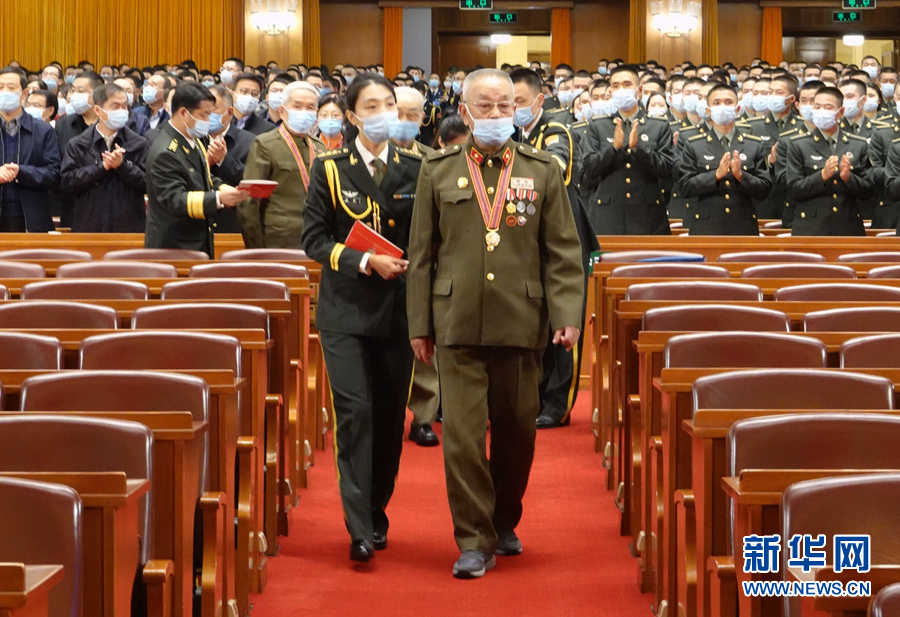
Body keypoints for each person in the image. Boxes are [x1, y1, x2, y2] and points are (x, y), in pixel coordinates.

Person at [406, 68, 584, 579]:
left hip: (521, 321)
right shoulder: (438, 169)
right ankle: (473, 538)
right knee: (462, 439)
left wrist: (567, 315)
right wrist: (419, 324)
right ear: (465, 112)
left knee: (517, 435)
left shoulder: (542, 169)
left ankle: (503, 520)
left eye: (506, 106)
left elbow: (563, 251)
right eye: (485, 106)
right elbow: (422, 254)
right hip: (456, 322)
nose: (497, 115)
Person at [302, 73, 422, 563]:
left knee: (391, 417)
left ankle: (376, 510)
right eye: (371, 106)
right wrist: (364, 260)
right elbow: (314, 240)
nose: (382, 113)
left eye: (388, 104)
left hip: (398, 312)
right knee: (356, 414)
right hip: (346, 311)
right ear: (351, 116)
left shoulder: (416, 167)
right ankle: (358, 527)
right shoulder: (329, 168)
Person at [144, 82, 249, 256]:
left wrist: (224, 188)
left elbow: (202, 175)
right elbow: (175, 199)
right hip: (174, 245)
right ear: (184, 113)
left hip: (196, 240)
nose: (208, 121)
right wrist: (218, 198)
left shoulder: (193, 140)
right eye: (204, 115)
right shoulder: (166, 151)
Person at [581, 65, 673, 235]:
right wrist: (613, 149)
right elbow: (588, 169)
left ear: (639, 90)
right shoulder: (598, 125)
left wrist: (639, 150)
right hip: (608, 216)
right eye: (615, 86)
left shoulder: (658, 125)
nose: (621, 90)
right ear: (610, 92)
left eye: (627, 84)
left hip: (648, 216)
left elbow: (667, 170)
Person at [239, 81, 326, 249]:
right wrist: (256, 248)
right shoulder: (265, 144)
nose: (304, 112)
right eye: (297, 106)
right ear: (282, 111)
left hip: (317, 239)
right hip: (279, 240)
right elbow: (249, 202)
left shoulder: (320, 147)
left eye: (310, 107)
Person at [677, 84, 770, 234]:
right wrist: (714, 175)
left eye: (728, 102)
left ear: (738, 109)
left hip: (743, 227)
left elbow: (764, 190)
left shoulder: (754, 144)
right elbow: (684, 187)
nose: (722, 107)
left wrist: (741, 176)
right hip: (706, 227)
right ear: (708, 110)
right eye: (716, 103)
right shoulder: (694, 144)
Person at [60, 83, 148, 232]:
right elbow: (67, 182)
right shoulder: (78, 144)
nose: (122, 111)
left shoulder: (138, 143)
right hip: (89, 225)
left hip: (129, 226)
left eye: (124, 106)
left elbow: (148, 183)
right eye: (115, 106)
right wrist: (102, 167)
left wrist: (123, 166)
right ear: (98, 110)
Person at [785, 86, 872, 236]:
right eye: (817, 107)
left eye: (828, 107)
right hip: (811, 228)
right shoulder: (798, 144)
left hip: (848, 226)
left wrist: (849, 178)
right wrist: (822, 176)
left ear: (841, 112)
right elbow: (793, 190)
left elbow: (869, 191)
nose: (821, 111)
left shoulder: (858, 144)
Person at [0, 67, 60, 232]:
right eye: (0, 87)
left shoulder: (43, 130)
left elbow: (54, 174)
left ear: (24, 93)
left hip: (32, 219)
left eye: (11, 87)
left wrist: (21, 172)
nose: (4, 92)